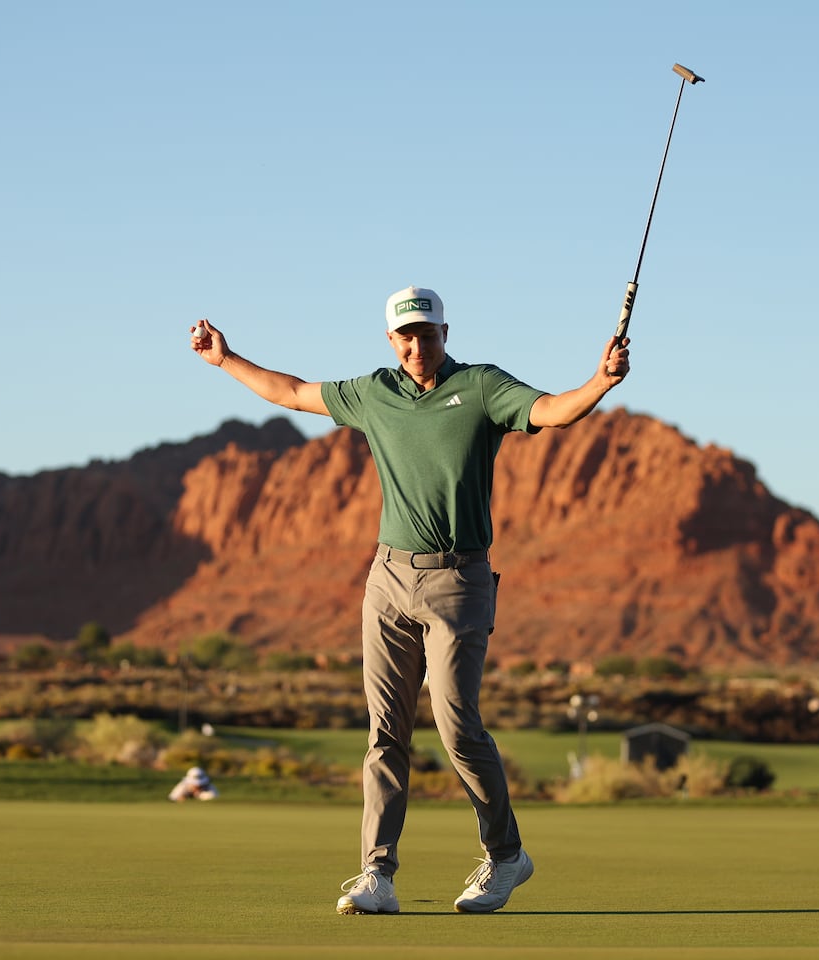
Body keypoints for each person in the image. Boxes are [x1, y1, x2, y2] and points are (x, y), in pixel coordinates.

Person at [189, 285, 629, 915]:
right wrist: (226, 360)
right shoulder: (375, 392)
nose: (417, 344)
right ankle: (377, 874)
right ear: (391, 341)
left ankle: (507, 855)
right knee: (385, 731)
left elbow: (554, 412)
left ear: (445, 333)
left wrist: (600, 382)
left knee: (456, 724)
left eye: (427, 333)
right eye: (406, 335)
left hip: (460, 580)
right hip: (388, 578)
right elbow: (291, 392)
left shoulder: (479, 387)